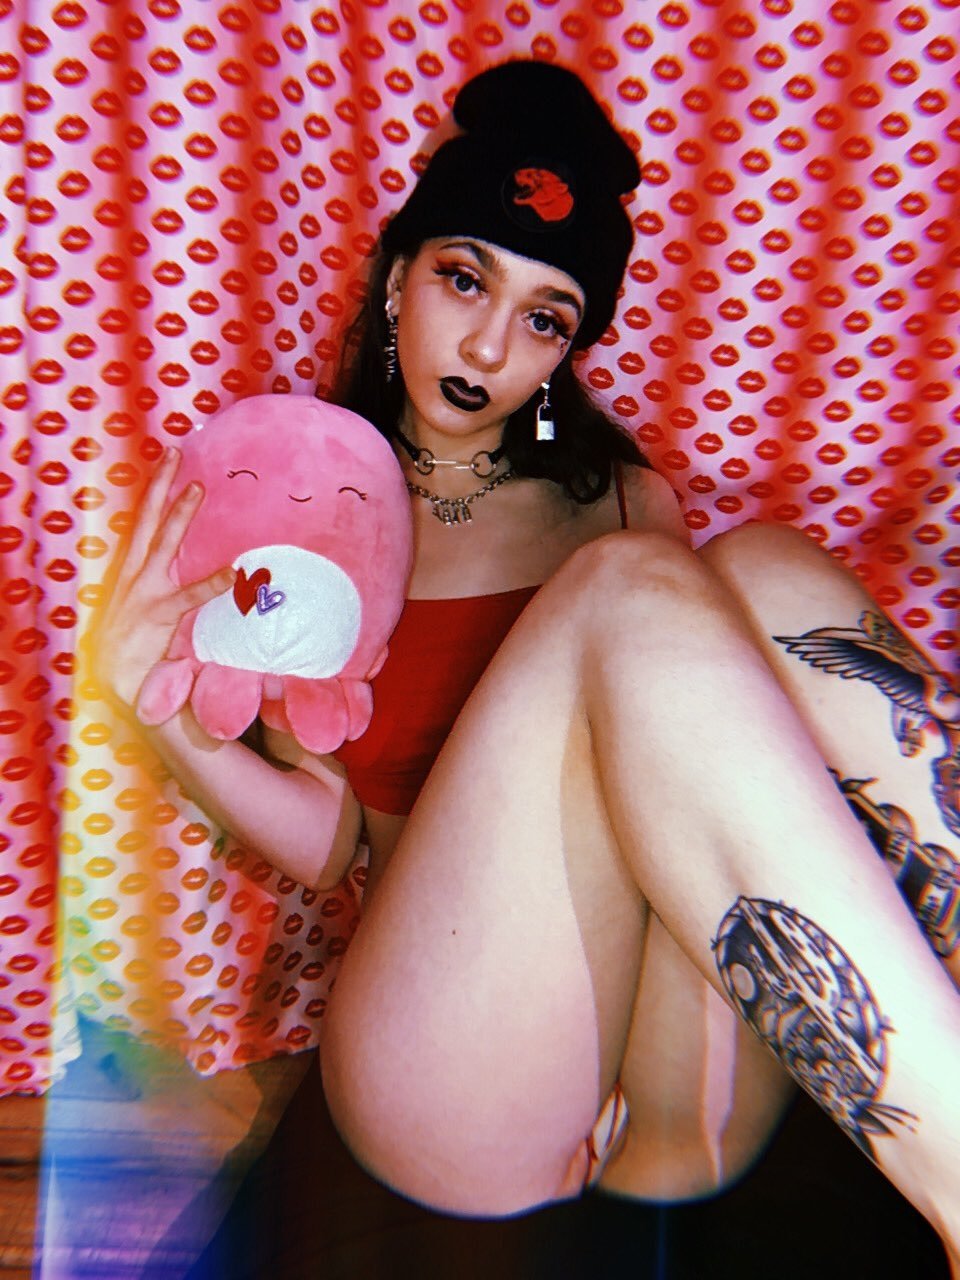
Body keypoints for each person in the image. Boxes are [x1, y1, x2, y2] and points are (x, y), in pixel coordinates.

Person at [94, 60, 960, 1271]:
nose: (492, 344)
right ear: (398, 276)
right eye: (464, 278)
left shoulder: (624, 500)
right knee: (635, 589)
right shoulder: (312, 509)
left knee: (764, 565)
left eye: (545, 317)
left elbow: (703, 780)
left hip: (667, 1074)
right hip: (458, 1052)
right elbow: (333, 843)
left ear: (568, 347)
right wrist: (156, 709)